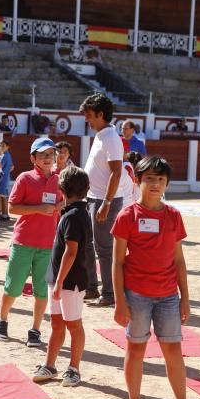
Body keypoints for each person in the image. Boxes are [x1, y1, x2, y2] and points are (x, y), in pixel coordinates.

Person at [112, 155, 200, 399]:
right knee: (136, 349)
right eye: (149, 178)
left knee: (173, 351)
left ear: (166, 184)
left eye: (160, 179)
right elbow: (117, 262)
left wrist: (185, 297)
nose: (154, 184)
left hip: (167, 297)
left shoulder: (173, 215)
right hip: (136, 295)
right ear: (137, 181)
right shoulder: (127, 215)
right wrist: (119, 302)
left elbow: (179, 261)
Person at [0, 137, 63, 346]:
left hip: (48, 244)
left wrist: (61, 205)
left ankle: (35, 329)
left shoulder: (60, 179)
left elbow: (67, 201)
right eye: (43, 155)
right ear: (33, 158)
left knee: (42, 291)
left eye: (50, 154)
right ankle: (2, 319)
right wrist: (38, 209)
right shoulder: (25, 178)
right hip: (23, 242)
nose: (48, 158)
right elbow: (12, 208)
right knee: (13, 286)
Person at [33, 166, 91, 387]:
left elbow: (71, 251)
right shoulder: (71, 212)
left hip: (70, 281)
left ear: (62, 189)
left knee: (73, 325)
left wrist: (58, 282)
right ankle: (50, 365)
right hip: (58, 279)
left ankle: (74, 368)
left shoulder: (75, 215)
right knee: (57, 323)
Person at [79, 92, 134, 307]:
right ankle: (92, 287)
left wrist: (107, 203)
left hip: (104, 201)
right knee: (91, 245)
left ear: (101, 114)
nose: (87, 119)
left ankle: (110, 293)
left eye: (90, 115)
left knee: (104, 248)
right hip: (95, 197)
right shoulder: (103, 135)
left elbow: (116, 172)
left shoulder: (110, 137)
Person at [0, 138, 14, 221]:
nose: (1, 147)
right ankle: (5, 214)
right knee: (3, 197)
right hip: (4, 179)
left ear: (8, 147)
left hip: (2, 180)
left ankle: (4, 214)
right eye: (0, 145)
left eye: (3, 146)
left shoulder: (4, 156)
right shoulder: (6, 155)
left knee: (2, 197)